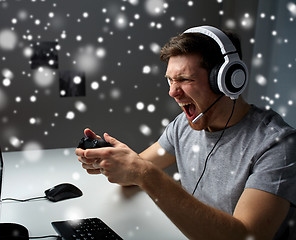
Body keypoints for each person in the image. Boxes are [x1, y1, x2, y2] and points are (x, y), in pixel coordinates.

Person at [75, 25, 296, 240]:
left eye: (184, 79)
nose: (172, 92)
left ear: (227, 79)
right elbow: (134, 173)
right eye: (170, 80)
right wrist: (113, 160)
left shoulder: (277, 145)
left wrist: (146, 174)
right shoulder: (182, 126)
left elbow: (247, 236)